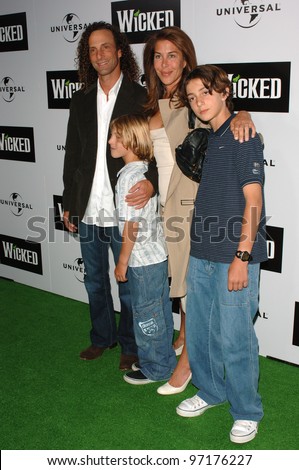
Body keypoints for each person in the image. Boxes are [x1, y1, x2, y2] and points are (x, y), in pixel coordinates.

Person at [142, 26, 256, 395]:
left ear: (187, 58)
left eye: (172, 55)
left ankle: (188, 363)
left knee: (193, 289)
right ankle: (185, 340)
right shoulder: (157, 103)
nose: (164, 63)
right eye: (157, 56)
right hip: (164, 205)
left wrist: (244, 112)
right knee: (185, 286)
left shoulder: (193, 102)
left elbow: (224, 118)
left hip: (193, 208)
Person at [176, 64, 267, 444]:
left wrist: (242, 256)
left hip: (234, 254)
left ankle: (247, 410)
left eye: (205, 93)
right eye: (193, 97)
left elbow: (254, 200)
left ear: (225, 92)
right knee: (200, 332)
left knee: (235, 337)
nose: (199, 102)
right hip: (201, 251)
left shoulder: (244, 135)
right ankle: (211, 391)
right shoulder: (208, 138)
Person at [62, 21, 158, 370]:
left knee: (129, 282)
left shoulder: (140, 96)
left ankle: (130, 346)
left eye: (105, 47)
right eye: (92, 49)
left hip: (124, 208)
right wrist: (68, 201)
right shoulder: (81, 99)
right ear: (87, 56)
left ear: (120, 51)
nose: (99, 54)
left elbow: (157, 151)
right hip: (88, 207)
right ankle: (102, 337)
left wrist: (153, 184)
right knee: (94, 281)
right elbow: (73, 153)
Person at [109, 114, 177, 384]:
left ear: (132, 140)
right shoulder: (144, 172)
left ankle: (155, 368)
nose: (111, 141)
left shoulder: (129, 178)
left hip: (141, 262)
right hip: (157, 257)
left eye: (116, 136)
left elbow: (131, 227)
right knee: (159, 312)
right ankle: (164, 361)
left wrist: (122, 262)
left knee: (147, 316)